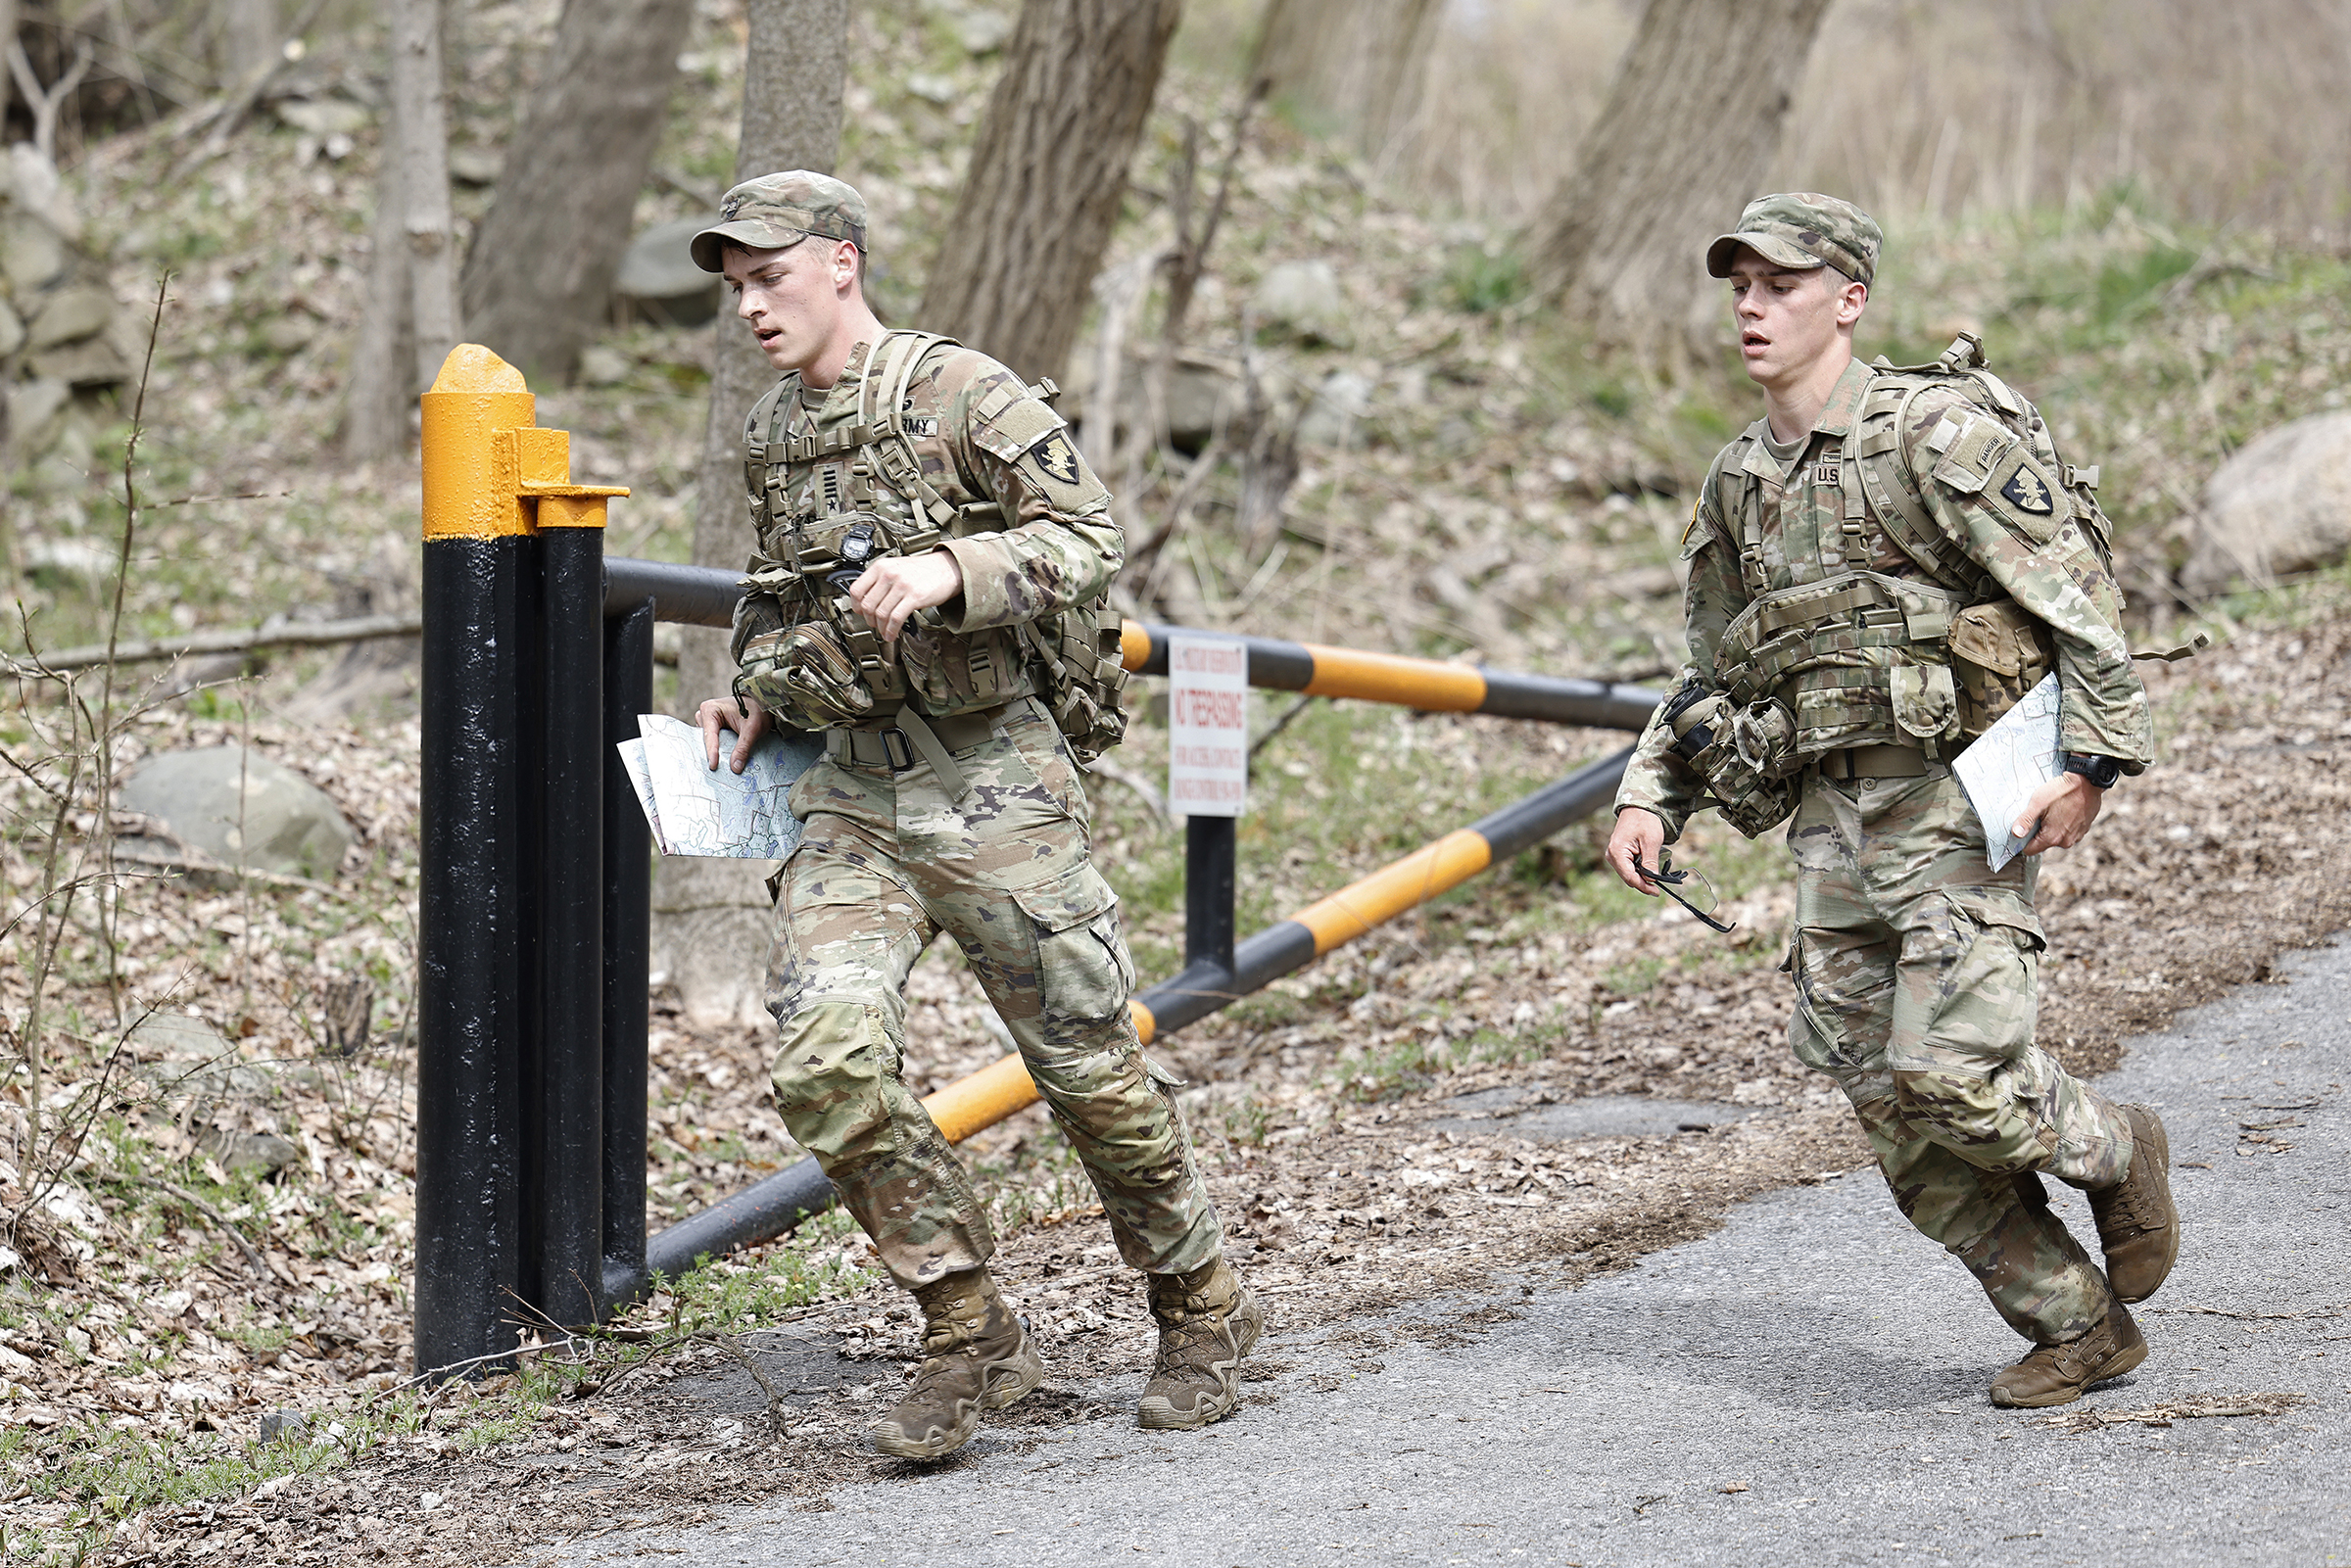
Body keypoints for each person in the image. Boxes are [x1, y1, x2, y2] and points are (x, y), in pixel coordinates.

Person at [686, 171, 1260, 1459]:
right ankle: (964, 1325)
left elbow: (1088, 539)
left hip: (992, 776)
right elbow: (781, 592)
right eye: (735, 286)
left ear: (841, 261)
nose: (751, 306)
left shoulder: (962, 392)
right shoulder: (777, 430)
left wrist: (955, 566)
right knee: (826, 1059)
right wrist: (755, 692)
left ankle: (1201, 1301)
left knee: (1090, 1069)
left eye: (770, 275)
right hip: (853, 792)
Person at [1606, 193, 2181, 1409]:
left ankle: (2116, 1144)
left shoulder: (1930, 436)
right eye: (1741, 286)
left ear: (1849, 298)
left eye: (1784, 284)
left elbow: (2079, 602)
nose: (1754, 307)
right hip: (1829, 821)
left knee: (1959, 1070)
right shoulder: (1738, 482)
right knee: (1897, 1116)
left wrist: (2091, 765)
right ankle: (2077, 1323)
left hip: (1962, 798)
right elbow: (1714, 668)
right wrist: (1652, 792)